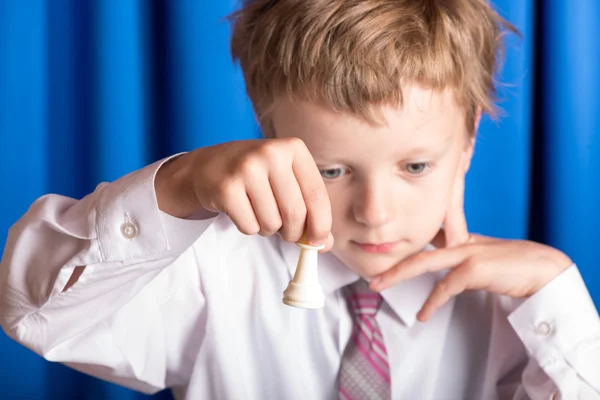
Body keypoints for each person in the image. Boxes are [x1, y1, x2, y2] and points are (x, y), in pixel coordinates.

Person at [1, 0, 599, 399]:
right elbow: (36, 315)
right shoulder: (207, 270)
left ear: (468, 139)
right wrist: (179, 186)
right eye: (331, 169)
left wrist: (560, 294)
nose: (374, 211)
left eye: (415, 166)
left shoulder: (522, 316)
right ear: (269, 134)